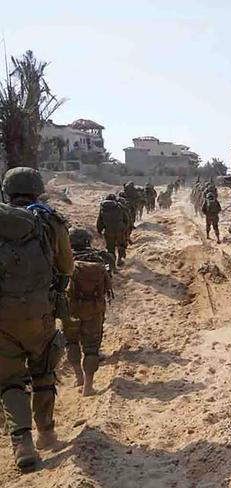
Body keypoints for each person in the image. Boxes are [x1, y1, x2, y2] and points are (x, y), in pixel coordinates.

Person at [0, 167, 74, 469]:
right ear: (38, 189)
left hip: (2, 316)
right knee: (43, 369)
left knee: (9, 381)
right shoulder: (48, 220)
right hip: (40, 312)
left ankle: (23, 445)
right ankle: (46, 432)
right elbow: (67, 267)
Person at [63, 228, 113, 396]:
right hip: (94, 310)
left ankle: (78, 377)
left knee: (71, 343)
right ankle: (88, 387)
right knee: (91, 348)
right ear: (88, 241)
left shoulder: (63, 260)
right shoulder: (100, 258)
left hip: (70, 310)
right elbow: (108, 285)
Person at [97, 194, 130, 266]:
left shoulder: (103, 208)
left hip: (108, 232)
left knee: (110, 249)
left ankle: (112, 266)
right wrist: (125, 229)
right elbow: (127, 219)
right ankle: (120, 260)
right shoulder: (119, 207)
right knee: (121, 245)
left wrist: (99, 230)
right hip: (120, 231)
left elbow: (100, 221)